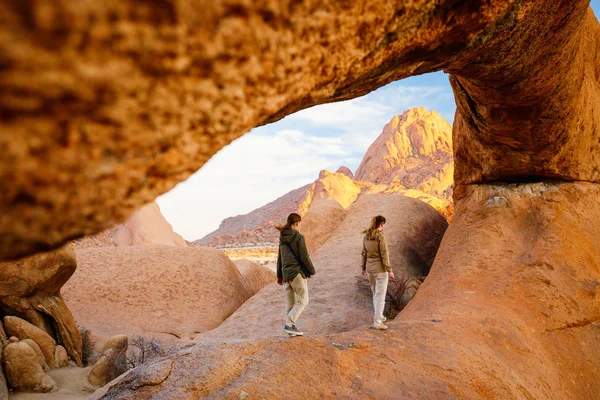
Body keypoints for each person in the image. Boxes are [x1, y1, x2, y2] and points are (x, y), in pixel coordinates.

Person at [276, 213, 316, 336]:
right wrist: (311, 271)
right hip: (296, 272)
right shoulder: (298, 236)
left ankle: (291, 330)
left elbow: (280, 258)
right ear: (297, 223)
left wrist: (279, 275)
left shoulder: (282, 237)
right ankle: (289, 323)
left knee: (291, 303)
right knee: (304, 299)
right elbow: (304, 255)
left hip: (286, 273)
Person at [361, 215, 395, 330]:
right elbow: (384, 254)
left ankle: (379, 316)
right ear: (382, 224)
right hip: (380, 270)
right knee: (380, 297)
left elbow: (364, 253)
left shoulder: (366, 235)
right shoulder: (380, 236)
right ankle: (377, 322)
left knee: (375, 295)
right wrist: (389, 270)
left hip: (370, 269)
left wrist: (363, 267)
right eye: (384, 224)